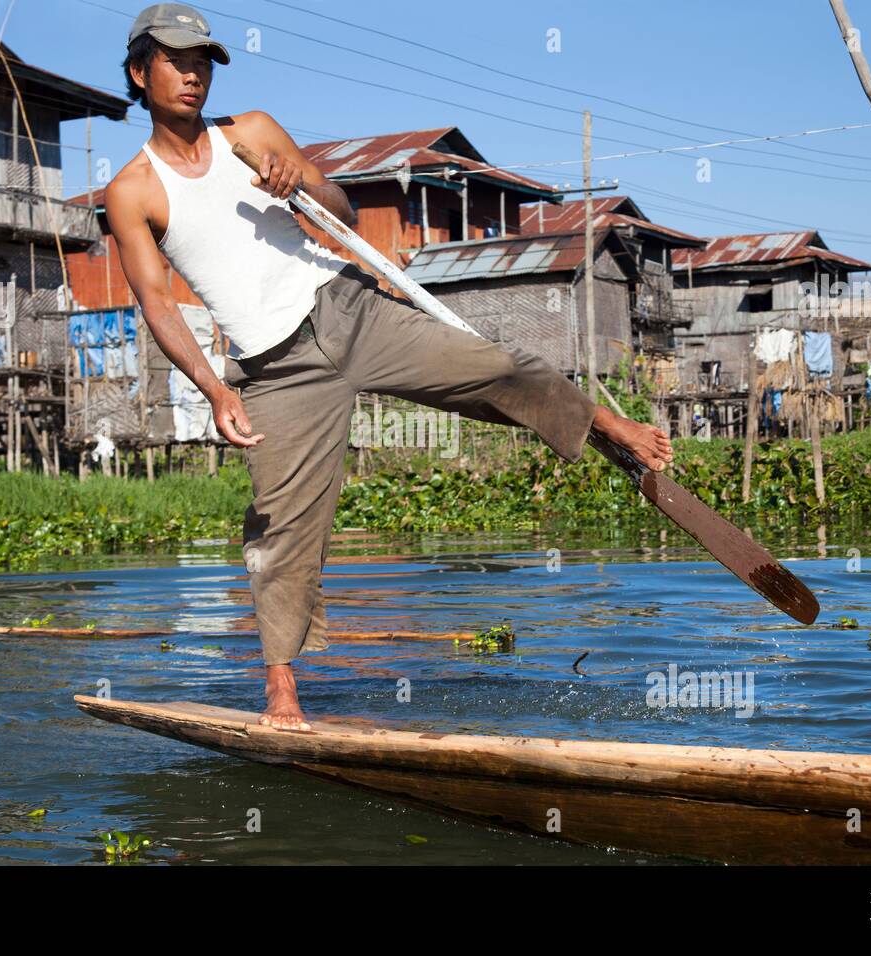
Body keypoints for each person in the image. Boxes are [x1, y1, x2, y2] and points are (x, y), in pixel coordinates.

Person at [105, 4, 674, 731]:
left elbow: (339, 206)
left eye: (203, 61)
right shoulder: (133, 190)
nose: (192, 74)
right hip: (277, 369)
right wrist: (213, 390)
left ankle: (605, 424)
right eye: (176, 60)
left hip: (348, 306)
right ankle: (282, 693)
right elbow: (156, 304)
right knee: (280, 528)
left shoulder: (250, 133)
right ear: (138, 71)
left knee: (491, 365)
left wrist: (299, 183)